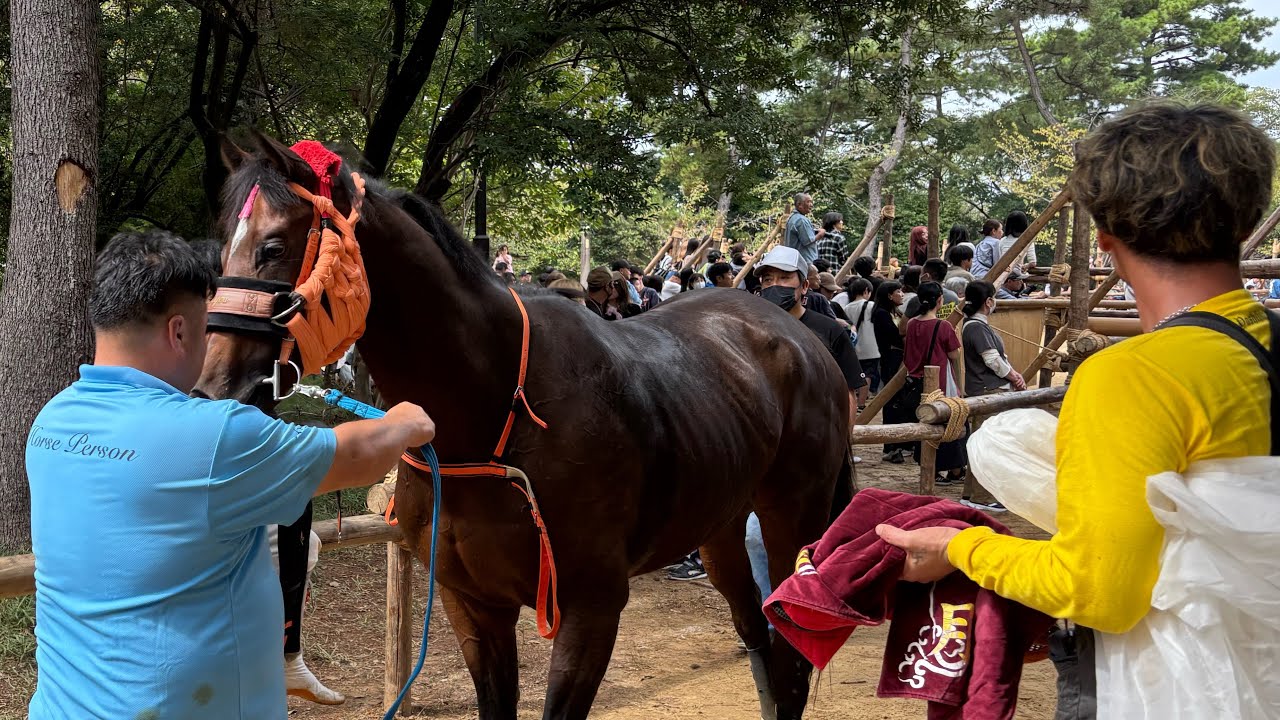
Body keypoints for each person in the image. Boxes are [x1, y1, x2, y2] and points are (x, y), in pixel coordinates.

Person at [876, 101, 1277, 719]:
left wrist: (960, 551)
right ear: (1246, 217)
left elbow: (1097, 590)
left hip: (1186, 689)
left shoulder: (1133, 377)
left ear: (1105, 238)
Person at [26, 231, 435, 720]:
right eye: (205, 334)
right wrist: (404, 421)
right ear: (178, 332)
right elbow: (357, 456)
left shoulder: (53, 420)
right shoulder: (211, 438)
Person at [958, 280, 1026, 512]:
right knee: (989, 446)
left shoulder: (976, 325)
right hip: (988, 390)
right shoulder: (976, 327)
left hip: (985, 390)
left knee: (983, 443)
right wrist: (1015, 376)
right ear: (988, 302)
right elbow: (993, 360)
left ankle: (972, 494)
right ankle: (982, 497)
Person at [871, 280, 910, 463]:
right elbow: (895, 337)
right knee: (892, 401)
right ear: (889, 295)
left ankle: (900, 443)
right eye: (898, 291)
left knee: (900, 402)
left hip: (898, 359)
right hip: (891, 361)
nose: (902, 294)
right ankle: (890, 446)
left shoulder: (895, 312)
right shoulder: (881, 314)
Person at [842, 278, 878, 394]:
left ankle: (856, 399)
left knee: (858, 373)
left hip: (854, 347)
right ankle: (862, 403)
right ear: (866, 291)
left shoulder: (847, 307)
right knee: (867, 374)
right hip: (870, 347)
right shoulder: (872, 305)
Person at [784, 192, 825, 267]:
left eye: (811, 202)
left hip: (794, 260)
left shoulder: (793, 218)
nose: (811, 205)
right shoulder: (801, 220)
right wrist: (820, 234)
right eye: (808, 202)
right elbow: (808, 240)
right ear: (799, 205)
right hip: (804, 261)